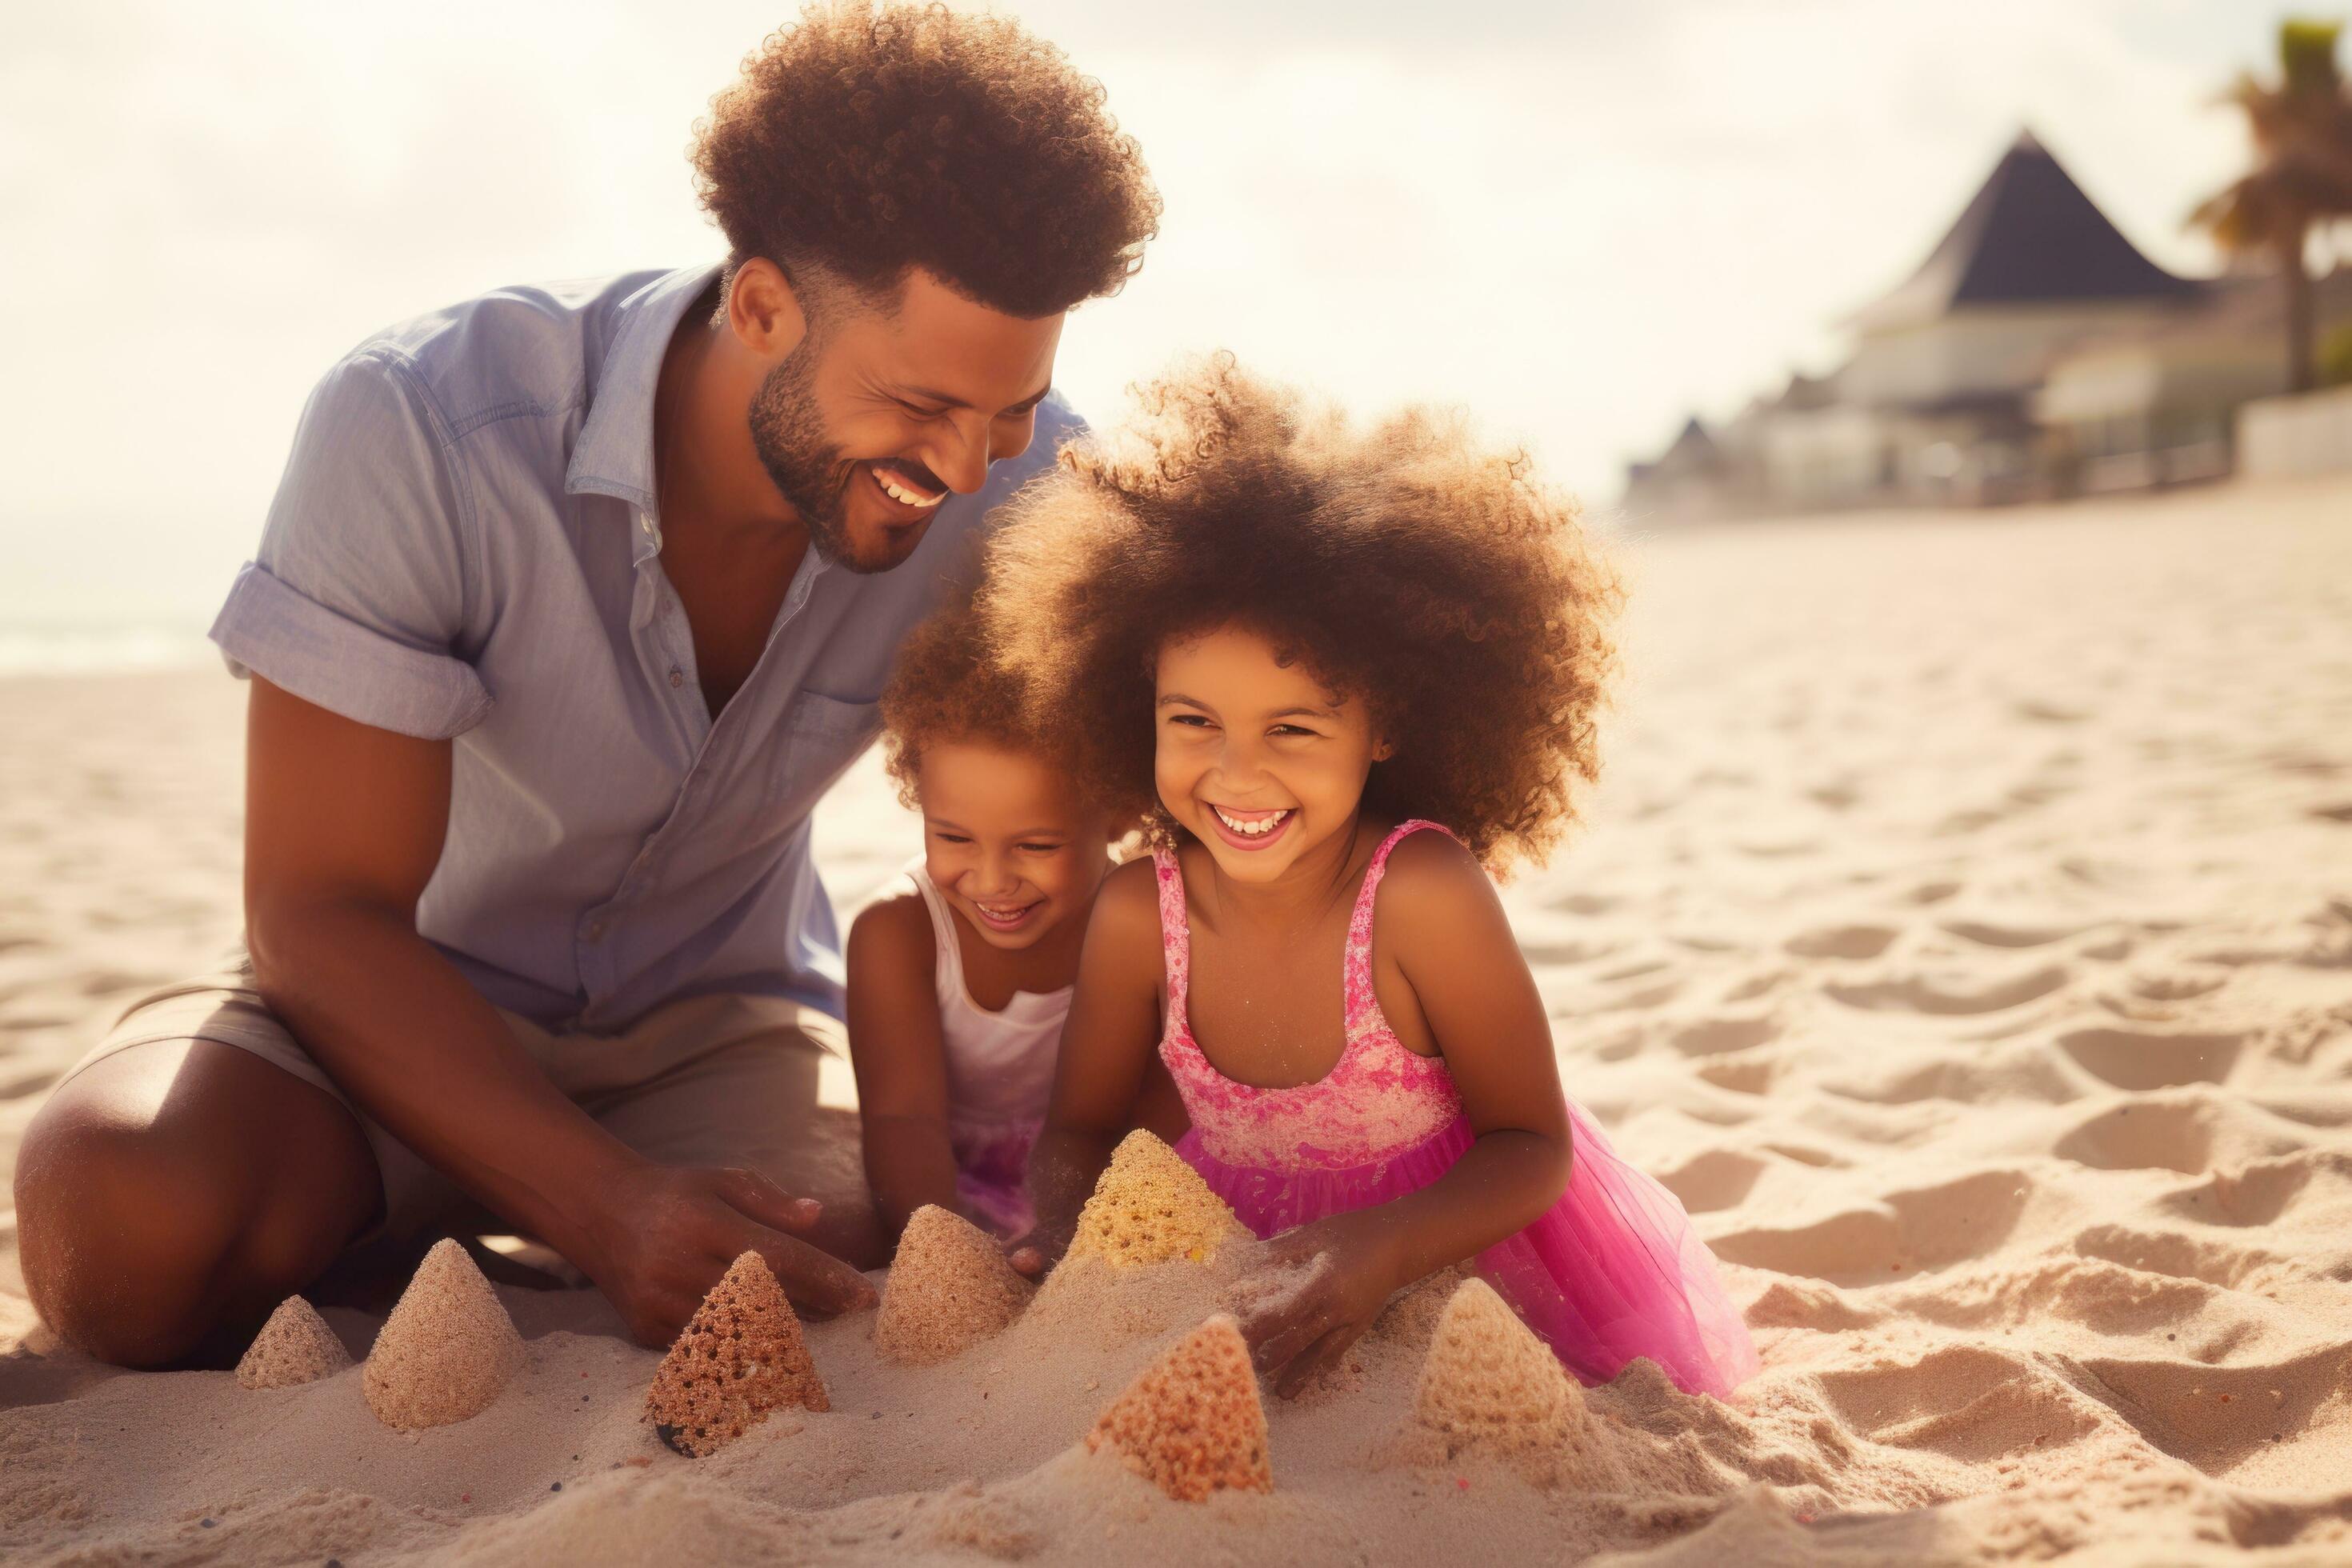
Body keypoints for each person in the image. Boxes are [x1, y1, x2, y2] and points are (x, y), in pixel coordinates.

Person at [14, 3, 1158, 1368]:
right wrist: (604, 1209)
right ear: (762, 307)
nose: (972, 467)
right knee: (120, 1223)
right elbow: (318, 916)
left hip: (723, 1030)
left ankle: (427, 1231)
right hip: (389, 1016)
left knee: (890, 1242)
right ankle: (447, 1203)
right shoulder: (424, 424)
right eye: (923, 408)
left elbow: (1231, 744)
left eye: (1010, 411)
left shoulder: (1035, 496)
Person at [991, 359, 1760, 1401]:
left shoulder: (1420, 893)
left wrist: (1382, 1249)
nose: (1237, 772)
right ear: (1142, 710)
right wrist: (1061, 1221)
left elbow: (1531, 1148)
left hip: (1454, 1254)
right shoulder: (1139, 914)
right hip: (1252, 1257)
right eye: (1194, 722)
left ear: (1384, 726)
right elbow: (1076, 1129)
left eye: (1293, 729)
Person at [844, 600, 1126, 1243]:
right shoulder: (898, 934)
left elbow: (1154, 1114)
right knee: (828, 1227)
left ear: (1121, 813)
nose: (993, 880)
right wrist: (942, 1249)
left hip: (1090, 1187)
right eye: (954, 837)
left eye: (1036, 846)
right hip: (937, 1184)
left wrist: (1072, 1229)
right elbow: (902, 1120)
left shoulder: (1142, 921)